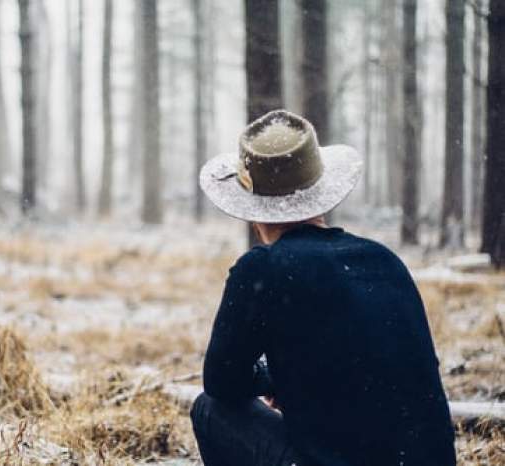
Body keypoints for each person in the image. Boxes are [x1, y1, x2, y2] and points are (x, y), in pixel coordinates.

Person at [191, 110, 456, 466]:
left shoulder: (262, 269)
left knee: (209, 410)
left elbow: (222, 383)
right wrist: (287, 382)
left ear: (253, 213)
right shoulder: (384, 259)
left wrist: (269, 380)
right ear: (319, 192)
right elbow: (387, 368)